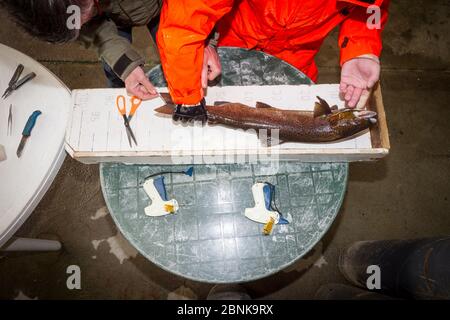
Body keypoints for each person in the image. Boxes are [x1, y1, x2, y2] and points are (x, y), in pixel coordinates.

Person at [157, 0, 390, 122]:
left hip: (298, 53)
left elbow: (372, 8)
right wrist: (188, 96)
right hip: (236, 34)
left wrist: (362, 48)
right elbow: (184, 20)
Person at [1, 0, 162, 100]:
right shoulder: (65, 10)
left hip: (170, 7)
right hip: (113, 15)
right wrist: (123, 62)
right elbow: (90, 27)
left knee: (177, 58)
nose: (84, 18)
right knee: (116, 70)